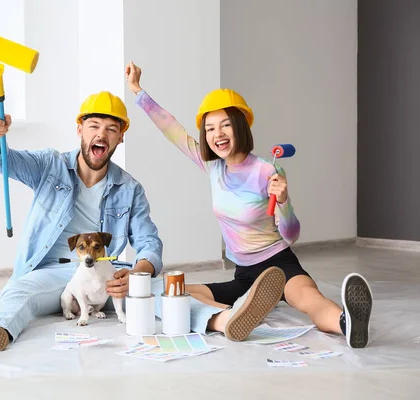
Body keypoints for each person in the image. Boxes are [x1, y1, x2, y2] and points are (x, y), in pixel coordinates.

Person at [0, 91, 287, 351]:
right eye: (94, 125)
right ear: (80, 130)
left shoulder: (129, 188)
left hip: (104, 275)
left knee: (157, 290)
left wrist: (136, 273)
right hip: (51, 272)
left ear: (120, 137)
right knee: (19, 290)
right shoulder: (49, 165)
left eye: (111, 128)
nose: (101, 134)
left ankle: (225, 321)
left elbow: (149, 244)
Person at [125, 62, 373, 349]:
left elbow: (291, 235)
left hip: (279, 264)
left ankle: (347, 323)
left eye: (226, 125)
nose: (217, 134)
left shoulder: (267, 171)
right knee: (172, 292)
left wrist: (284, 201)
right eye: (210, 128)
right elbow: (172, 129)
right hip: (244, 274)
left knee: (310, 300)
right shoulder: (213, 167)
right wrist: (137, 90)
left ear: (241, 126)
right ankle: (234, 314)